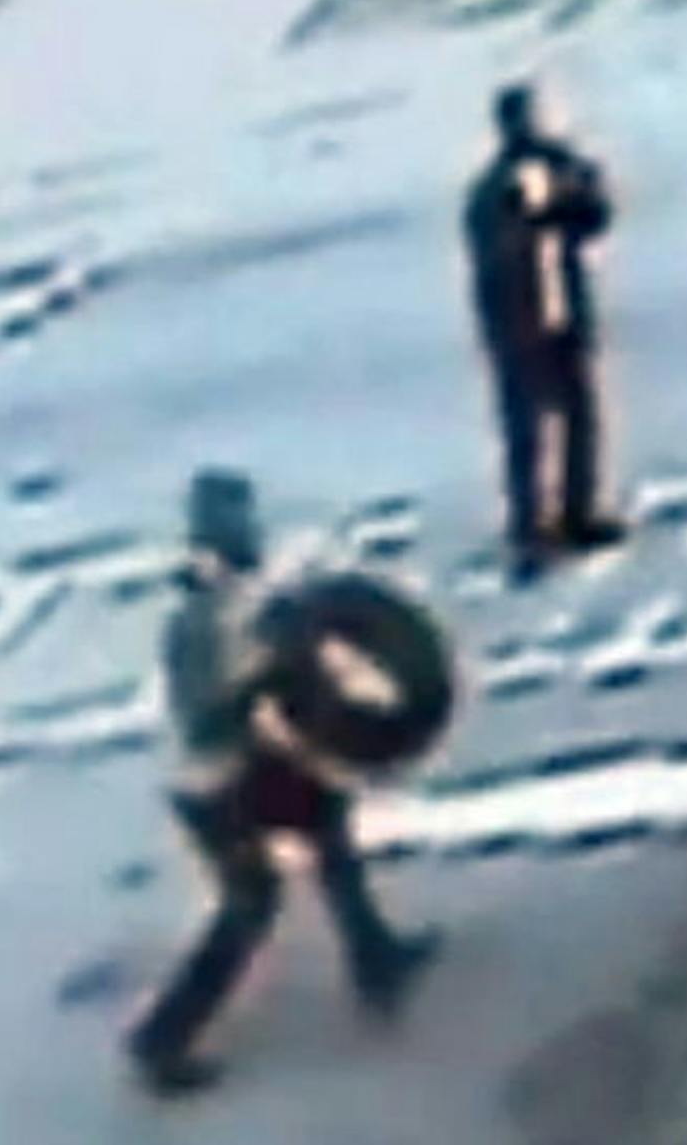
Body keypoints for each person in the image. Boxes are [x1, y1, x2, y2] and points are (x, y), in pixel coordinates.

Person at [126, 471, 438, 1098]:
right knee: (251, 904)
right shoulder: (223, 613)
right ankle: (161, 1041)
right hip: (220, 782)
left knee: (327, 826)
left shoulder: (215, 602)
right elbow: (232, 705)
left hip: (223, 773)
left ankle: (376, 956)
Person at [464, 82, 625, 583]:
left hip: (564, 316)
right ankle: (531, 529)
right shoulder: (491, 192)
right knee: (526, 431)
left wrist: (571, 180)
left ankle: (577, 513)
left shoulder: (557, 172)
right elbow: (497, 253)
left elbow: (596, 216)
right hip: (518, 324)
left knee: (580, 418)